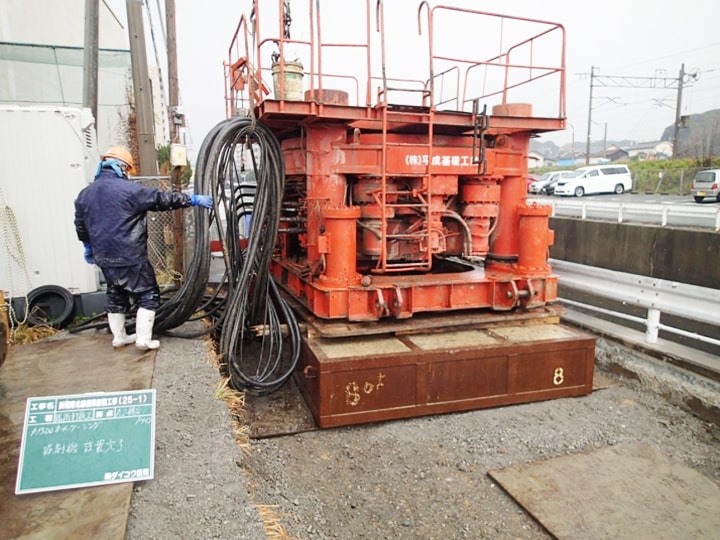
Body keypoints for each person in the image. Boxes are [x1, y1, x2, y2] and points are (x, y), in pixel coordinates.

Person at [74, 146, 213, 350]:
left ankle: (119, 337)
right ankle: (143, 340)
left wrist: (88, 246)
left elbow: (80, 225)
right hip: (130, 255)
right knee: (147, 294)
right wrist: (191, 199)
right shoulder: (130, 190)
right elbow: (161, 199)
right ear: (122, 168)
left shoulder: (85, 194)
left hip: (103, 256)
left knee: (115, 295)